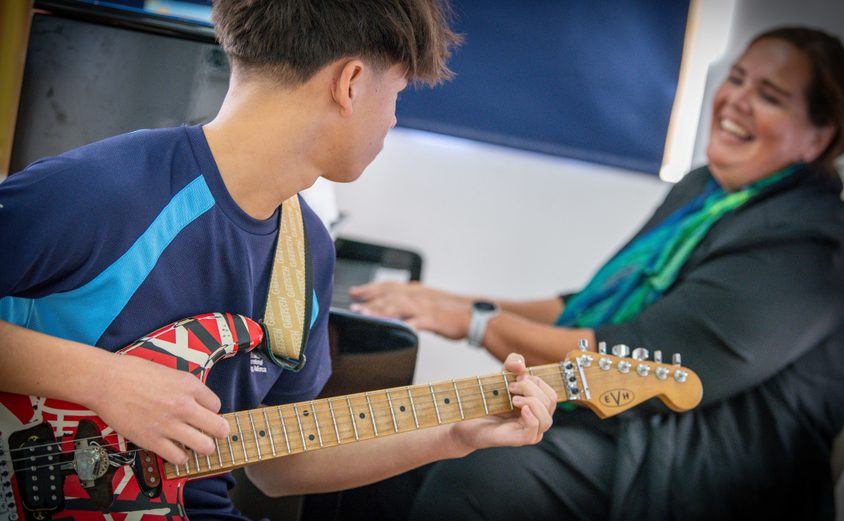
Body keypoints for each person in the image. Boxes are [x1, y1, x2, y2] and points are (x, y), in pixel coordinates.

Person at [0, 1, 558, 519]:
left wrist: (454, 436)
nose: (392, 120)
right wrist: (106, 382)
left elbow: (278, 467)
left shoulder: (308, 250)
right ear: (352, 83)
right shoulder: (105, 190)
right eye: (399, 93)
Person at [348, 26, 844, 520]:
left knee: (479, 480)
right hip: (624, 426)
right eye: (737, 79)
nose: (737, 100)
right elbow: (588, 302)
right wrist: (458, 303)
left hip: (693, 465)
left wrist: (477, 323)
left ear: (819, 137)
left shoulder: (810, 245)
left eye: (770, 97)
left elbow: (639, 356)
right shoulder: (707, 190)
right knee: (400, 455)